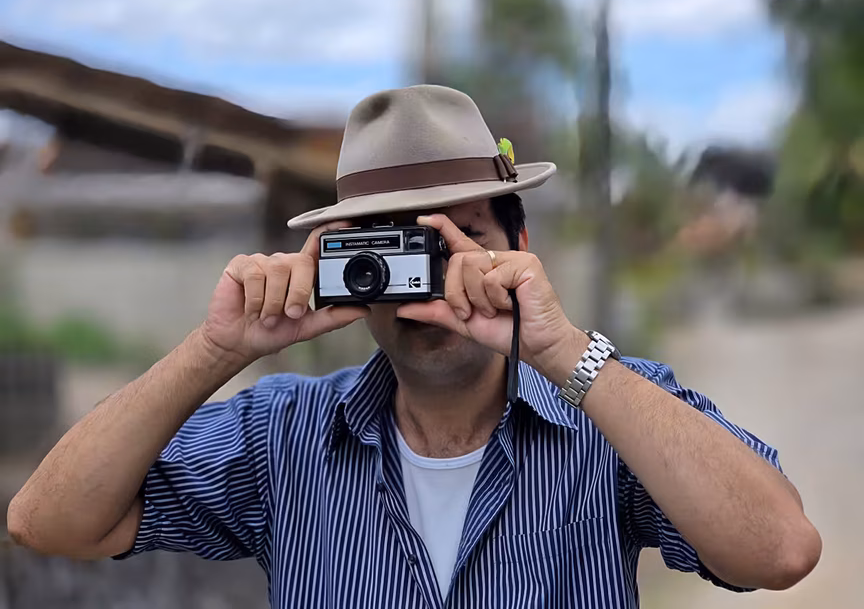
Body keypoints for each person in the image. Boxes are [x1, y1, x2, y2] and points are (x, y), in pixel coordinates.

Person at [8, 85, 821, 608]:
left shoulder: (609, 406)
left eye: (455, 242)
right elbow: (47, 521)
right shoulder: (281, 433)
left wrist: (563, 352)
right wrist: (217, 349)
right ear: (343, 269)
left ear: (519, 245)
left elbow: (780, 552)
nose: (424, 285)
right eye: (388, 254)